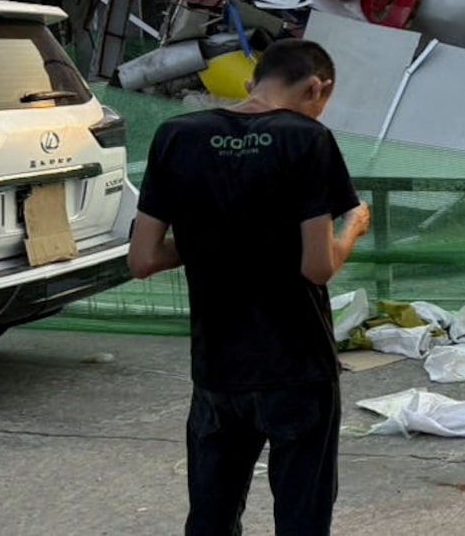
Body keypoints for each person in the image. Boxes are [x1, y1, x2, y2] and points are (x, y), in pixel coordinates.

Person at [127, 38, 370, 536]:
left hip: (217, 369)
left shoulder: (177, 135)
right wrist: (353, 230)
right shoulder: (307, 139)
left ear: (250, 84)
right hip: (296, 366)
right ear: (316, 88)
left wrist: (210, 240)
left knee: (211, 518)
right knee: (301, 517)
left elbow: (143, 258)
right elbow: (318, 267)